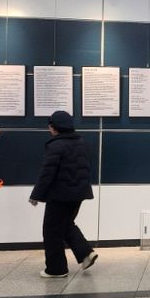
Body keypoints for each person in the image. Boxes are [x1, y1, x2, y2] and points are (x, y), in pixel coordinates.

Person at [29, 111, 98, 277]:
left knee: (51, 231)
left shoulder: (56, 145)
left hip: (60, 195)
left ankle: (56, 269)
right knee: (65, 224)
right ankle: (86, 253)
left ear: (54, 127)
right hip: (79, 193)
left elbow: (47, 173)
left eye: (50, 127)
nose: (49, 130)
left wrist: (36, 195)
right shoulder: (82, 143)